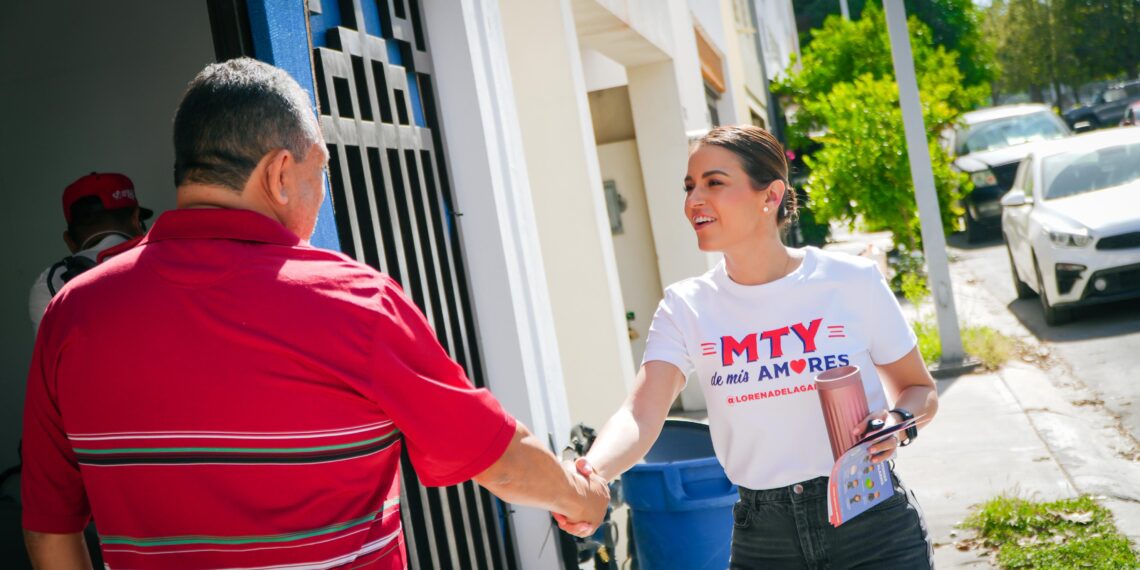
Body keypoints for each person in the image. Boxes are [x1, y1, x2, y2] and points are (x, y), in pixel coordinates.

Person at [21, 58, 607, 569]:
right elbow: (496, 463)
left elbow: (50, 533)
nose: (322, 188)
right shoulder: (353, 303)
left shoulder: (71, 315)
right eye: (319, 169)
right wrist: (582, 500)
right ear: (279, 173)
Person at [559, 125, 939, 568]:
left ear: (771, 196)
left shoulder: (849, 281)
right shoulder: (687, 306)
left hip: (872, 523)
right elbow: (639, 414)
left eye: (714, 183)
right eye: (689, 187)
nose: (693, 201)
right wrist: (592, 471)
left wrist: (897, 422)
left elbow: (919, 389)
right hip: (764, 537)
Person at [28, 172, 152, 332]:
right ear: (136, 220)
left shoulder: (50, 283)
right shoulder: (166, 259)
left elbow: (54, 354)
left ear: (69, 241)